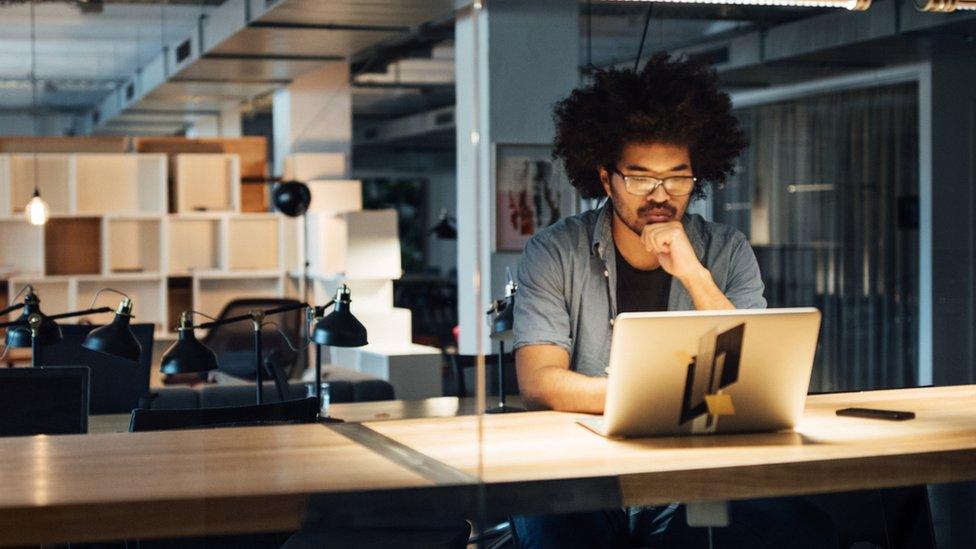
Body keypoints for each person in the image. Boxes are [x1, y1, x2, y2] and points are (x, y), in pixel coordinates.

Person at [510, 53, 836, 548]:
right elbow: (539, 382)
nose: (659, 194)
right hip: (584, 470)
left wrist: (692, 271)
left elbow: (751, 368)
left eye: (677, 177)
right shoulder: (554, 251)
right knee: (554, 526)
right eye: (640, 177)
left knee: (786, 519)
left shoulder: (726, 250)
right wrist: (664, 397)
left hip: (691, 467)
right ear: (605, 178)